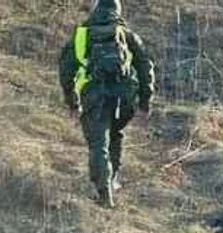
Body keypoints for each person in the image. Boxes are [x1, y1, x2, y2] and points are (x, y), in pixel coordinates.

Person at [59, 0, 155, 208]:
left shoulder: (82, 35)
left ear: (95, 9)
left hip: (95, 94)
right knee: (115, 133)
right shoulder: (126, 34)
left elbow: (66, 69)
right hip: (125, 96)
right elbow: (145, 64)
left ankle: (104, 191)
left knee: (98, 142)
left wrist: (71, 101)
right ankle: (112, 180)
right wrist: (145, 100)